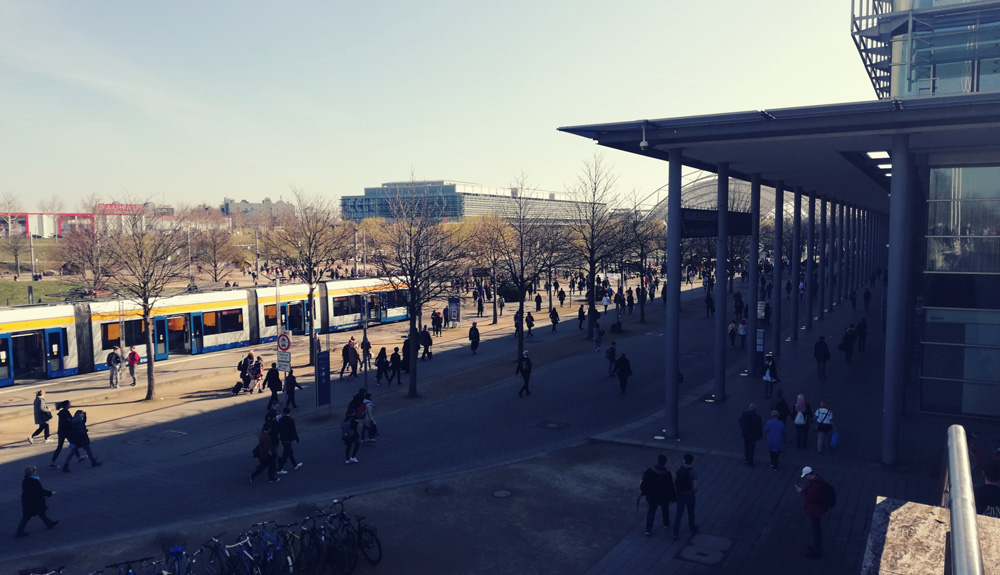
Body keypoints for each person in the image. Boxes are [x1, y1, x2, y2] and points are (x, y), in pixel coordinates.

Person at [795, 466, 830, 558]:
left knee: (816, 531)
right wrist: (805, 489)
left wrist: (801, 491)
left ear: (809, 474)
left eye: (806, 476)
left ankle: (817, 551)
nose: (805, 477)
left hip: (815, 511)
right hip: (817, 509)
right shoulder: (817, 480)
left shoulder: (815, 485)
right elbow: (812, 493)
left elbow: (811, 498)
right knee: (816, 530)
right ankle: (816, 547)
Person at [14, 465, 58, 538]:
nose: (36, 472)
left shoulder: (26, 480)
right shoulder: (34, 482)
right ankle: (19, 532)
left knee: (38, 514)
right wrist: (51, 493)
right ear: (32, 473)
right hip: (34, 502)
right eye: (35, 471)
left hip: (28, 501)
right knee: (29, 516)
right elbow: (40, 491)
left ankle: (49, 524)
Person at [640, 454, 676, 536]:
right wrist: (672, 497)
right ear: (665, 462)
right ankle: (666, 524)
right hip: (664, 497)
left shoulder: (650, 471)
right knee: (665, 509)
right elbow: (670, 487)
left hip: (653, 496)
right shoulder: (667, 474)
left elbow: (644, 483)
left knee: (651, 511)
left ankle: (648, 529)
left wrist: (644, 492)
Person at [49, 401, 85, 469]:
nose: (70, 405)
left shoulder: (61, 413)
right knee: (73, 444)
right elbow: (70, 422)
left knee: (59, 447)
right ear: (67, 405)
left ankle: (52, 462)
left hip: (61, 432)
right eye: (69, 404)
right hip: (67, 432)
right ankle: (79, 457)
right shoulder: (66, 413)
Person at [672, 453, 698, 541]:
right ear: (692, 461)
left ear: (684, 460)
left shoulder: (679, 469)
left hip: (680, 495)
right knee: (691, 512)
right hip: (690, 495)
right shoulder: (692, 472)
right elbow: (695, 487)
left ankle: (675, 533)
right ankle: (692, 527)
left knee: (679, 514)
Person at [275, 408, 302, 474]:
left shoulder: (281, 420)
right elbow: (293, 430)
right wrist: (296, 438)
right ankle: (280, 469)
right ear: (289, 412)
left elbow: (278, 429)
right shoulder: (291, 420)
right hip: (289, 439)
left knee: (289, 452)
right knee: (286, 454)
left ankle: (295, 465)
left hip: (283, 439)